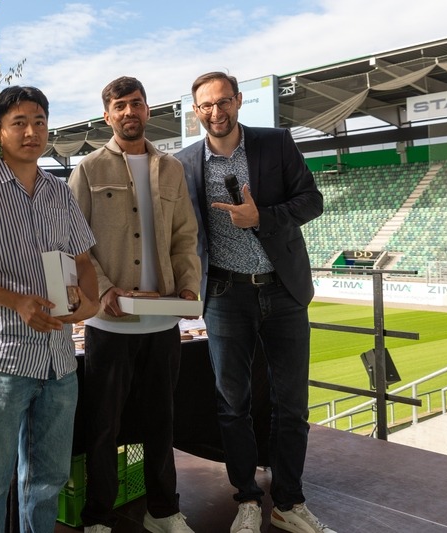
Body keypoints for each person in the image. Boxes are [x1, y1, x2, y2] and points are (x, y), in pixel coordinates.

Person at [175, 71, 333, 533]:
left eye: (223, 101)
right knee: (232, 405)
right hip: (225, 295)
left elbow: (312, 201)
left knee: (292, 405)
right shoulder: (184, 162)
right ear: (196, 111)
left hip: (283, 290)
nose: (216, 112)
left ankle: (288, 502)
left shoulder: (275, 143)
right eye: (206, 105)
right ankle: (246, 498)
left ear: (239, 100)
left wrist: (261, 216)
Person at [0, 86, 100, 533]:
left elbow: (84, 261)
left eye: (39, 122)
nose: (31, 132)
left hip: (59, 361)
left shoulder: (59, 193)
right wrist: (16, 302)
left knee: (48, 482)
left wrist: (87, 304)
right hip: (1, 360)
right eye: (19, 123)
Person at [68, 76, 202, 533]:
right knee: (103, 428)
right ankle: (98, 518)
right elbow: (73, 242)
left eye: (137, 103)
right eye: (121, 105)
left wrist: (188, 289)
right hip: (109, 326)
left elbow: (184, 236)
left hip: (162, 324)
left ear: (148, 110)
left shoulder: (172, 169)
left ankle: (162, 511)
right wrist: (105, 290)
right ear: (107, 115)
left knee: (162, 424)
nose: (130, 111)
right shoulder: (88, 169)